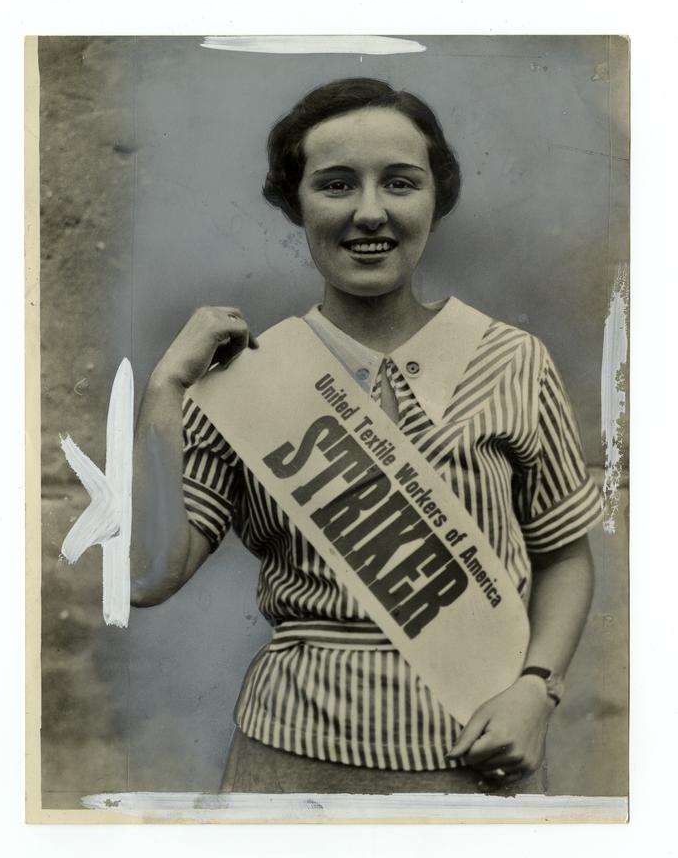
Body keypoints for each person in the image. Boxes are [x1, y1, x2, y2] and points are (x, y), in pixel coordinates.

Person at [130, 78, 602, 795]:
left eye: (401, 182)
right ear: (297, 204)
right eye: (337, 184)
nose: (370, 211)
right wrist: (167, 388)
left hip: (478, 750)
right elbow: (147, 575)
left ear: (434, 199)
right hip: (292, 757)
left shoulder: (512, 360)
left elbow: (565, 556)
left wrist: (537, 689)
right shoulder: (242, 382)